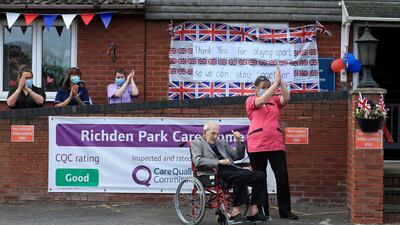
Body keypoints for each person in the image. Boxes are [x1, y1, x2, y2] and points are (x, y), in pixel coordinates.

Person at [245, 66, 298, 220]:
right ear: (256, 89)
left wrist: (280, 83)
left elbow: (286, 98)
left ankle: (285, 211)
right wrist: (274, 85)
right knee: (260, 178)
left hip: (276, 144)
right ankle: (261, 211)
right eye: (263, 88)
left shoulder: (275, 100)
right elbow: (261, 100)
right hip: (257, 145)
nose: (266, 90)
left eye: (267, 88)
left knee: (282, 176)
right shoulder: (251, 100)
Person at [191, 121, 270, 223]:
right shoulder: (197, 143)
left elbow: (238, 156)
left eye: (217, 134)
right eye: (213, 133)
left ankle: (253, 211)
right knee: (241, 176)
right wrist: (218, 162)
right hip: (214, 171)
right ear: (205, 132)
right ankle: (235, 212)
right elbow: (198, 161)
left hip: (231, 169)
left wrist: (238, 141)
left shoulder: (222, 143)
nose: (215, 136)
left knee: (260, 175)